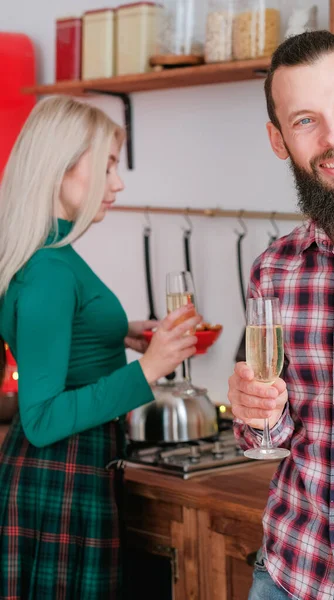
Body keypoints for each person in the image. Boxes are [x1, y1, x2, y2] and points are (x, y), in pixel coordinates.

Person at [0, 95, 201, 600]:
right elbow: (42, 418)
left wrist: (120, 333)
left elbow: (60, 341)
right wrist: (149, 369)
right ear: (62, 168)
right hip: (59, 476)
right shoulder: (50, 268)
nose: (119, 183)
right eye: (108, 165)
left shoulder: (54, 255)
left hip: (72, 471)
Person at [228, 30, 334, 600]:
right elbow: (267, 438)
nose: (333, 137)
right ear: (279, 140)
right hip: (291, 574)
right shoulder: (273, 269)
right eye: (305, 121)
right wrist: (257, 412)